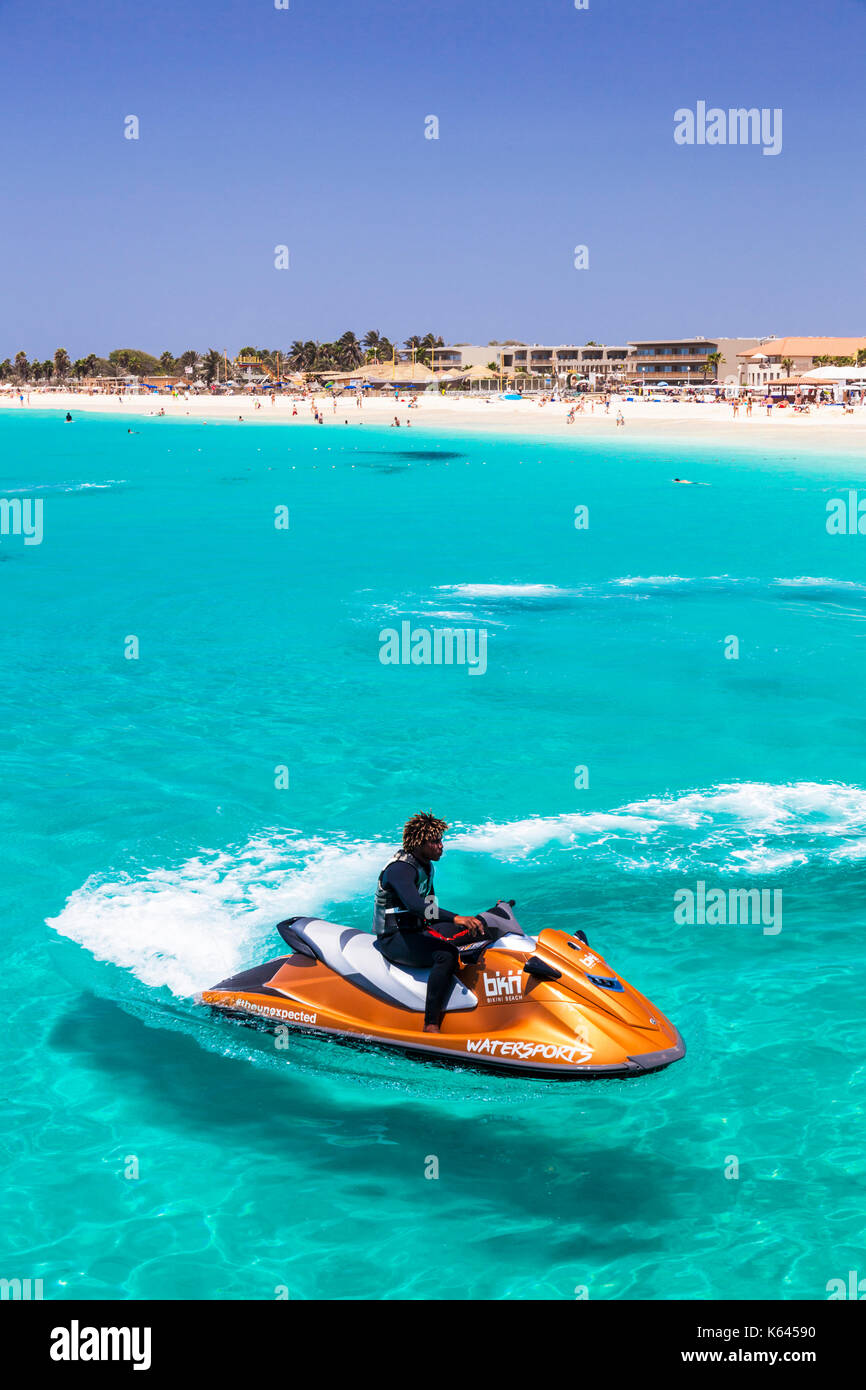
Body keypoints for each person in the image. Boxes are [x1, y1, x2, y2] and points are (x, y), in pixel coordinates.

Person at [373, 811, 484, 1032]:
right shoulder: (400, 869)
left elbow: (430, 909)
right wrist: (455, 917)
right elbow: (416, 906)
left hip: (416, 929)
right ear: (418, 843)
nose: (440, 846)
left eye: (440, 840)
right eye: (435, 841)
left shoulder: (426, 866)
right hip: (393, 937)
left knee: (478, 928)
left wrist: (461, 923)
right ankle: (431, 1023)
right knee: (446, 955)